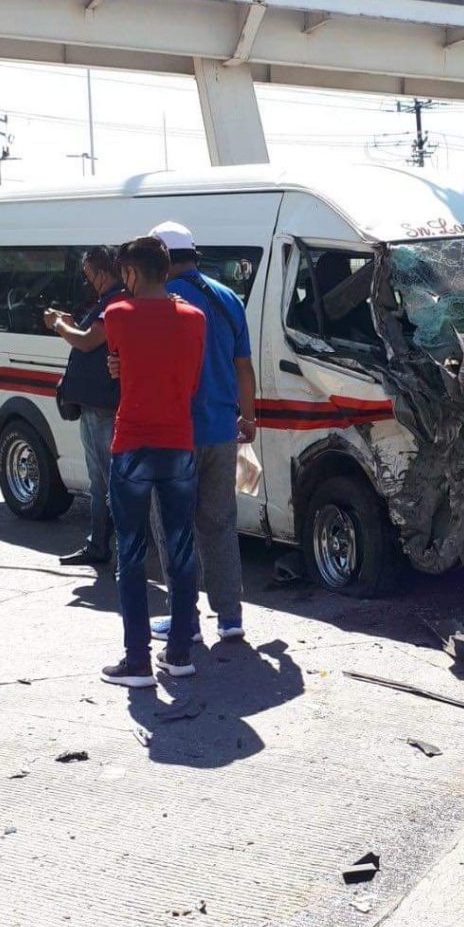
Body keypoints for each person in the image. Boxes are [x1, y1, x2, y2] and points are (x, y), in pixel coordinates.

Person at [139, 222, 256, 645]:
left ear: (161, 259)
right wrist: (249, 418)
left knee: (173, 526)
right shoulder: (226, 298)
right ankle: (230, 616)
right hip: (221, 431)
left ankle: (184, 618)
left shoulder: (157, 302)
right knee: (219, 523)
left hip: (172, 436)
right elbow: (243, 367)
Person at [101, 236, 206, 688]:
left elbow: (123, 356)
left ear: (130, 273)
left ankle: (137, 660)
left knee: (131, 550)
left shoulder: (116, 314)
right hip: (178, 440)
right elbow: (187, 376)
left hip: (133, 443)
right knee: (181, 548)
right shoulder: (195, 318)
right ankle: (180, 650)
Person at [44, 246, 126, 566]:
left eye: (89, 275)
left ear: (102, 274)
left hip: (103, 407)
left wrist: (59, 325)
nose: (88, 281)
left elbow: (87, 341)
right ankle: (104, 544)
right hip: (98, 404)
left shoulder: (115, 302)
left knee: (104, 480)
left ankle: (106, 546)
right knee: (103, 479)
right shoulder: (110, 301)